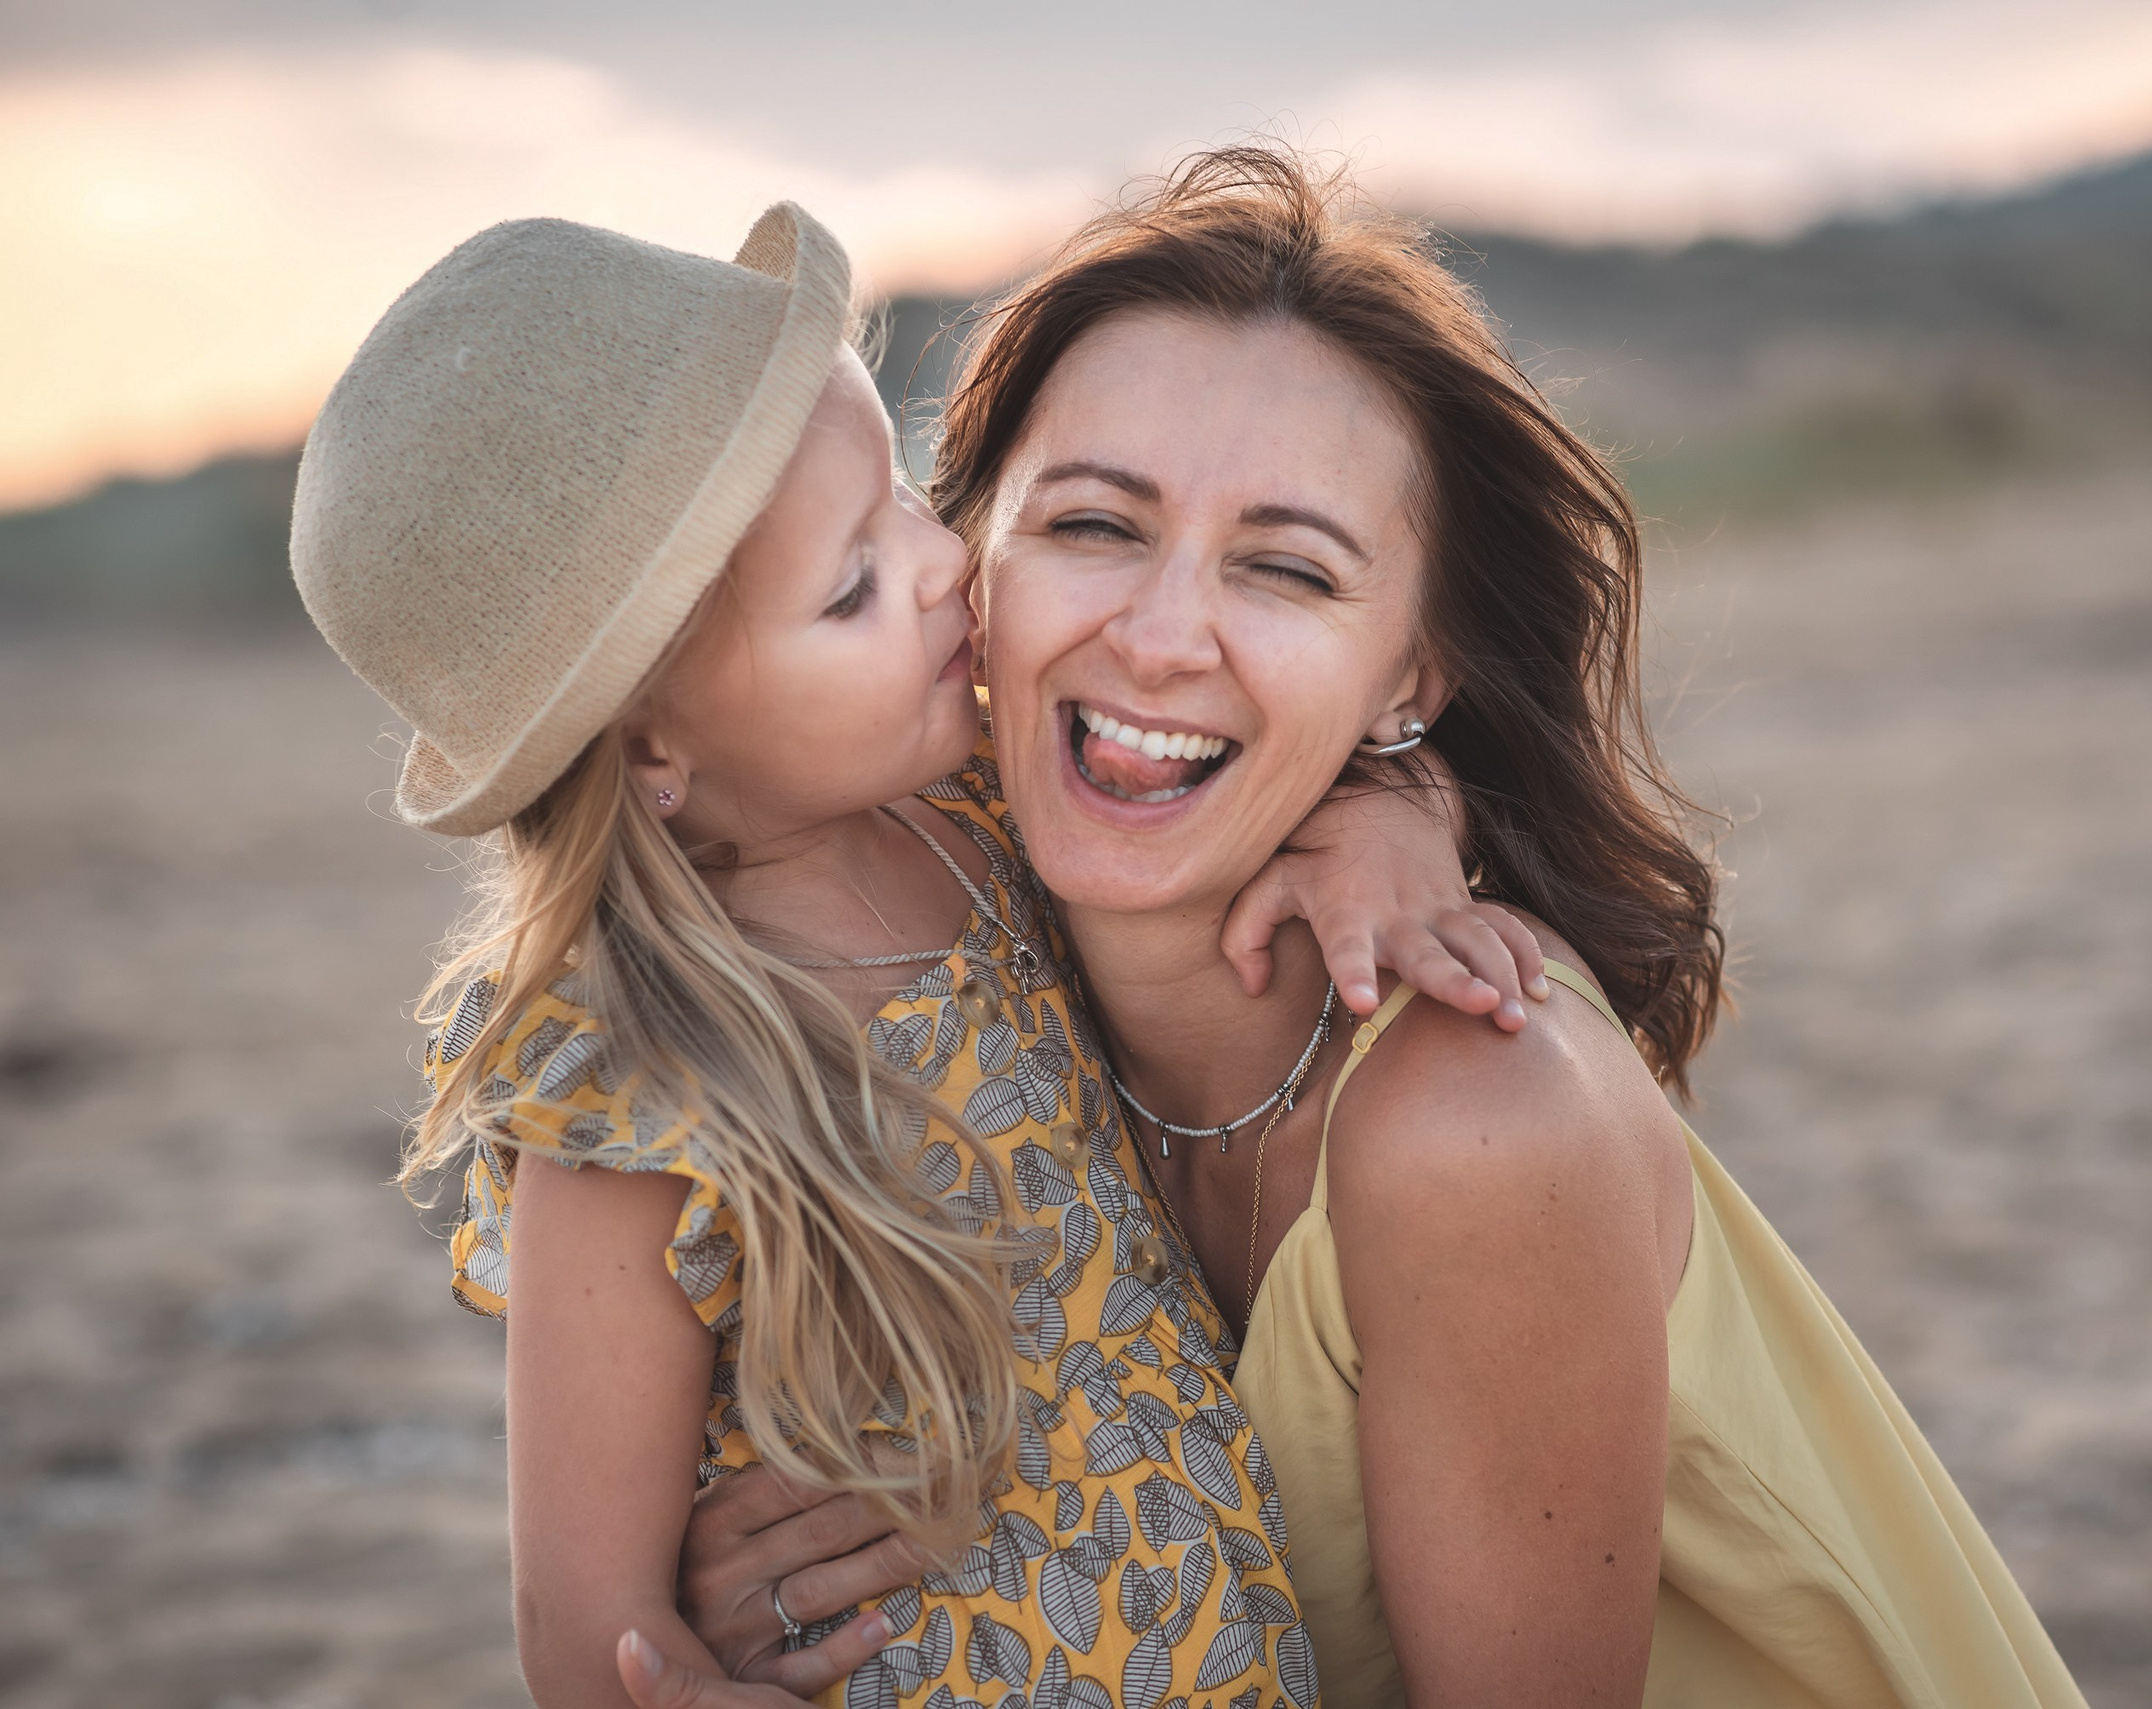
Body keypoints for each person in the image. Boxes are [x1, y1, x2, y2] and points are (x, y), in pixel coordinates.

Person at [652, 150, 2089, 1709]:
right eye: (1091, 526)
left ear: (1414, 678)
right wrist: (755, 1604)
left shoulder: (1476, 1119)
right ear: (967, 562)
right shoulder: (932, 949)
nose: (1156, 635)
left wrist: (1413, 804)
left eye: (1285, 567)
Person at [290, 201, 1543, 1709]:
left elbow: (1302, 744)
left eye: (898, 500)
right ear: (651, 743)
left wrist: (1403, 816)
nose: (944, 564)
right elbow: (586, 1624)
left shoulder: (985, 806)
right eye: (851, 586)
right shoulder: (643, 1088)